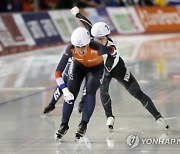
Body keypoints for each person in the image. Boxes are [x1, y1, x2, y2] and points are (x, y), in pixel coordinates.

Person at [70, 6, 170, 131]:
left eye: (103, 38)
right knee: (103, 89)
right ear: (92, 37)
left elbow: (106, 68)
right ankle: (110, 116)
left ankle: (157, 116)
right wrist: (77, 13)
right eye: (97, 38)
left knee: (136, 92)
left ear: (107, 36)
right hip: (102, 68)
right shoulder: (92, 38)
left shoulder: (112, 49)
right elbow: (87, 24)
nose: (100, 41)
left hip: (116, 68)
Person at [55, 27, 117, 140]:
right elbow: (58, 73)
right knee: (70, 94)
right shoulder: (70, 49)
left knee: (90, 91)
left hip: (96, 69)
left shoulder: (97, 48)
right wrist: (64, 90)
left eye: (83, 46)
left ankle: (83, 124)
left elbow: (111, 50)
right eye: (77, 47)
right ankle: (64, 124)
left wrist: (113, 52)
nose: (80, 50)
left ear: (88, 44)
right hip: (78, 67)